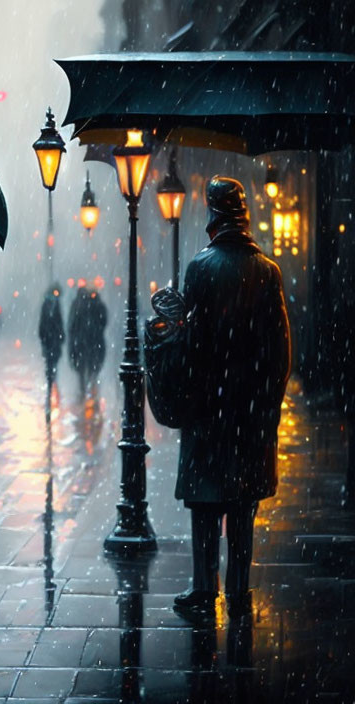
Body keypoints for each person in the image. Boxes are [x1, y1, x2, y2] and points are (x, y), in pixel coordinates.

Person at [173, 176, 290, 623]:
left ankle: (205, 588)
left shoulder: (201, 269)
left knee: (205, 504)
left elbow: (191, 346)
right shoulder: (268, 271)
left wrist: (191, 392)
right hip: (250, 411)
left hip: (208, 408)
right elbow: (280, 354)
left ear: (212, 214)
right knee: (243, 507)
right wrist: (266, 408)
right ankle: (238, 590)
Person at [68, 286, 108, 400]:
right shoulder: (92, 306)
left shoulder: (79, 306)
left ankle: (86, 388)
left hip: (85, 342)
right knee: (90, 367)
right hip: (89, 342)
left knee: (85, 367)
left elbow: (73, 324)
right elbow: (103, 321)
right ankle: (89, 388)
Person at [38, 283, 65, 391]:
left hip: (53, 338)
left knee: (53, 361)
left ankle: (52, 380)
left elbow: (59, 321)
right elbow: (44, 322)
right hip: (49, 339)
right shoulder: (47, 305)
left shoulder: (56, 304)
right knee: (50, 362)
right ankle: (50, 381)